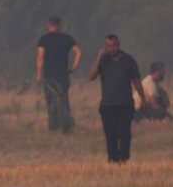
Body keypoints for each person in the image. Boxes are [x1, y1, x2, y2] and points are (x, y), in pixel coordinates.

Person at [88, 34, 147, 164]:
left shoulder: (129, 60)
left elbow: (136, 81)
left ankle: (124, 157)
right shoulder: (103, 61)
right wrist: (98, 57)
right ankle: (113, 161)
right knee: (110, 136)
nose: (111, 49)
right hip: (107, 105)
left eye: (113, 46)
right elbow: (91, 77)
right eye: (108, 46)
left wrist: (143, 98)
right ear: (105, 47)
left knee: (125, 135)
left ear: (119, 45)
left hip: (125, 104)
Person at [36, 16, 82, 133]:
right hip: (63, 75)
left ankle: (53, 126)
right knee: (63, 100)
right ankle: (66, 127)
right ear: (59, 26)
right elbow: (79, 52)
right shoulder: (67, 38)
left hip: (49, 75)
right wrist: (74, 67)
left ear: (49, 25)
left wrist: (39, 74)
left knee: (51, 101)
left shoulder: (44, 39)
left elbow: (41, 57)